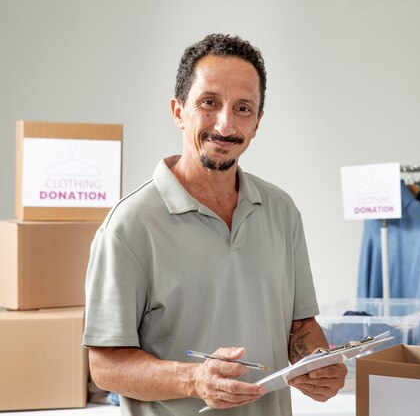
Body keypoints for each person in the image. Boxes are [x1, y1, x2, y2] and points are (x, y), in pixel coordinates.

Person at [83, 33, 347, 416]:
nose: (225, 124)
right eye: (209, 103)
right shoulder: (129, 226)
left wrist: (318, 363)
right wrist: (193, 380)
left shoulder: (281, 210)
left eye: (243, 108)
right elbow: (105, 366)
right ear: (178, 111)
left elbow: (300, 325)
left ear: (257, 123)